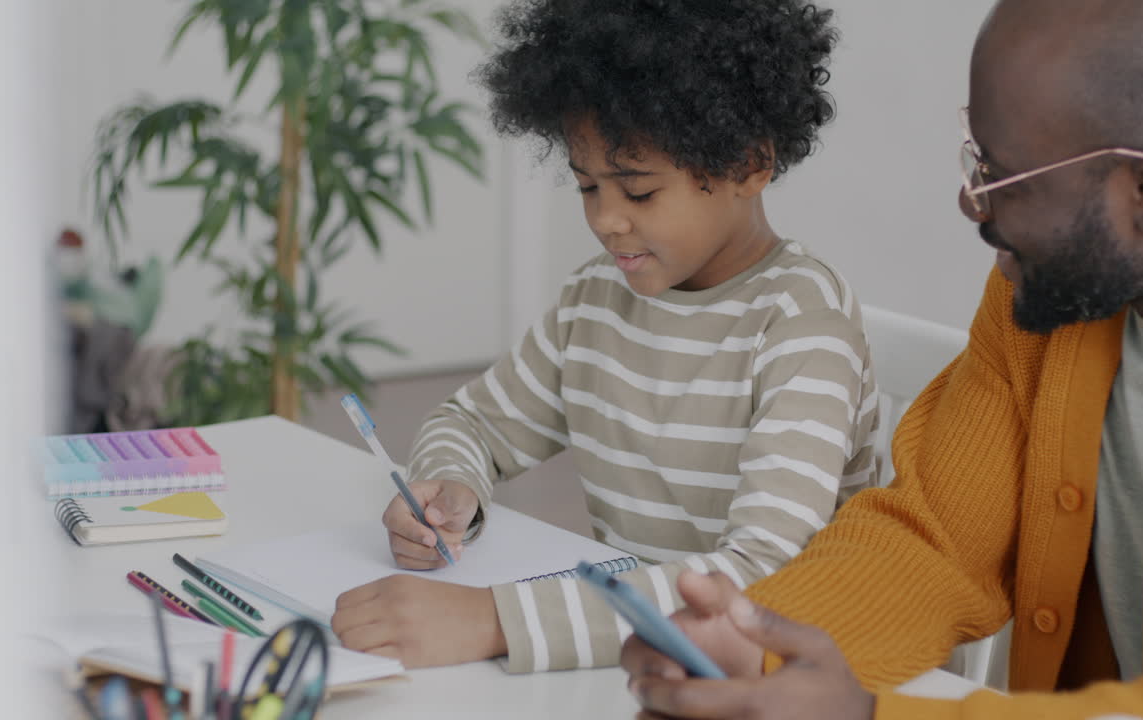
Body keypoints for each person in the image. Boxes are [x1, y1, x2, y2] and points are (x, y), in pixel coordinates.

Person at [620, 0, 1143, 717]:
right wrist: (760, 644)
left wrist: (871, 713)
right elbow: (935, 537)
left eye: (1005, 178)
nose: (972, 202)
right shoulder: (1039, 305)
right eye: (977, 158)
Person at [330, 0, 881, 672]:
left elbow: (763, 579)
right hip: (637, 657)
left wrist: (493, 621)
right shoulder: (597, 298)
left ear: (749, 164)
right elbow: (472, 423)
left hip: (785, 678)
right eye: (588, 187)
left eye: (638, 192)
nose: (606, 221)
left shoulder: (802, 322)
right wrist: (451, 488)